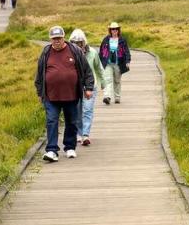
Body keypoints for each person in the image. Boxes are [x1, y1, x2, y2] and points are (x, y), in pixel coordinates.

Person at [34, 26, 94, 162]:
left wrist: (88, 88)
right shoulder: (46, 52)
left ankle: (70, 147)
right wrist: (39, 92)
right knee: (51, 121)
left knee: (71, 122)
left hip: (71, 95)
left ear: (64, 38)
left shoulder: (75, 51)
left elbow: (87, 71)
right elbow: (39, 75)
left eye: (59, 38)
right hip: (51, 96)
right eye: (54, 39)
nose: (57, 41)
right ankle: (51, 150)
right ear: (50, 39)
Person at [69, 29, 104, 146]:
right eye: (75, 42)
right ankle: (80, 133)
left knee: (87, 110)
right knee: (78, 111)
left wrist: (103, 81)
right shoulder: (69, 54)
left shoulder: (93, 53)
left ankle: (85, 135)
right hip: (75, 87)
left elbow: (98, 68)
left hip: (90, 86)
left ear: (84, 42)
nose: (78, 45)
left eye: (80, 42)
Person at [98, 22, 131, 105]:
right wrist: (99, 62)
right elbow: (101, 51)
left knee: (117, 81)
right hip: (107, 63)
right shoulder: (106, 39)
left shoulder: (122, 40)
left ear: (118, 30)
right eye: (113, 29)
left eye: (116, 29)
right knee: (107, 80)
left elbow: (126, 51)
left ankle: (117, 97)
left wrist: (127, 61)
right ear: (110, 30)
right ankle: (107, 97)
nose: (114, 30)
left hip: (118, 63)